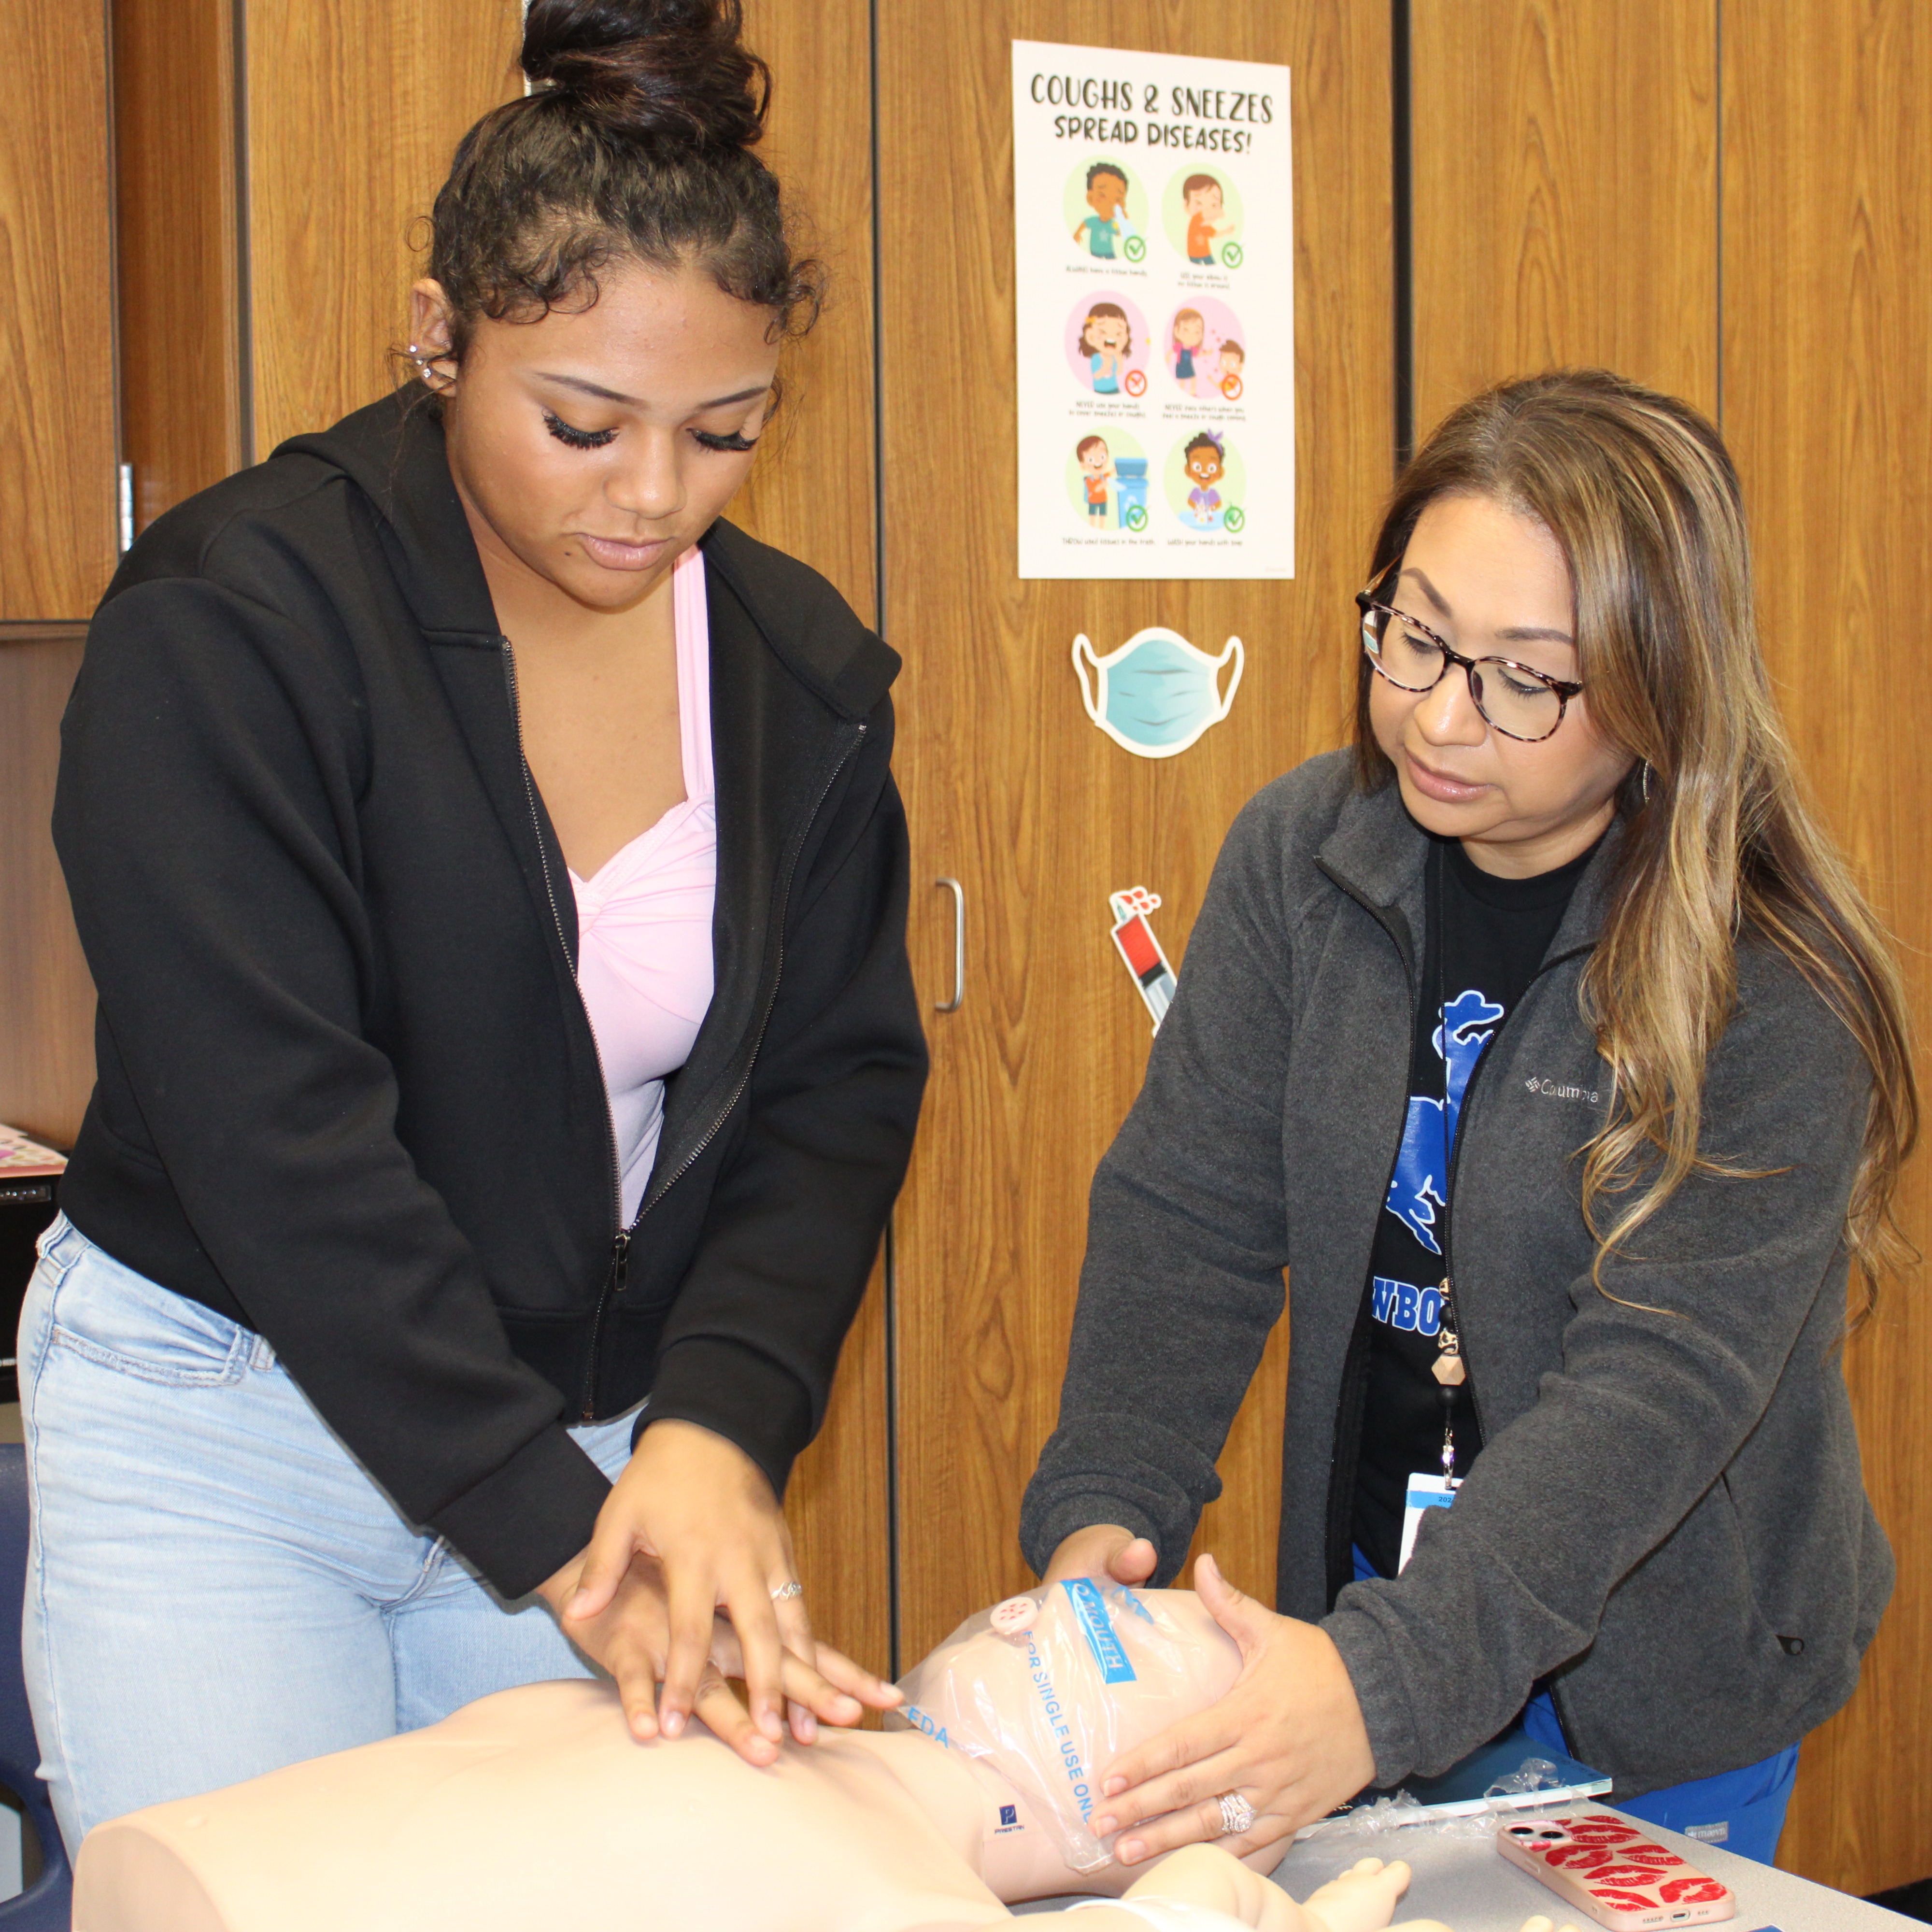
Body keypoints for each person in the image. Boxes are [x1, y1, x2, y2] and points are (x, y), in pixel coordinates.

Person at [32, 0, 925, 1857]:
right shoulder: (237, 619)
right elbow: (279, 1138)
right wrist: (565, 1537)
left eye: (724, 433)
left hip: (588, 1439)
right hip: (232, 1420)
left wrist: (713, 1427)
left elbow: (833, 1089)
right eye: (582, 424)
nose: (655, 498)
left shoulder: (791, 671)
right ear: (437, 336)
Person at [1023, 371, 1915, 1872]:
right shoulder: (1302, 855)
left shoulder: (1767, 980)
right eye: (1416, 634)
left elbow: (1653, 1395)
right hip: (1377, 1599)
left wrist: (1383, 1679)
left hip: (1659, 1671)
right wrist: (1103, 1523)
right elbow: (1190, 1216)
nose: (1440, 713)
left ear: (1658, 689)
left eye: (1523, 677)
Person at [72, 1581, 1458, 1932]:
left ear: (1139, 1835)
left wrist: (1214, 1893)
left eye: (1150, 1651)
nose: (1075, 1609)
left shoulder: (897, 1895)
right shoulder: (669, 1699)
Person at [1075, 162, 1136, 260]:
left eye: (1118, 199)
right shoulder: (1094, 221)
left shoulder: (1113, 224)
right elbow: (1084, 224)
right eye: (1103, 196)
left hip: (1109, 252)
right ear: (1091, 199)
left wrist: (1123, 221)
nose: (1111, 204)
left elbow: (1119, 234)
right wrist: (1077, 233)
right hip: (1095, 252)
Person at [1082, 303, 1133, 395]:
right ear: (1090, 337)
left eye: (1119, 334)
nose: (1111, 337)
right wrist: (1105, 367)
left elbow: (1118, 373)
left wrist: (1120, 364)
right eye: (1103, 332)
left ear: (1126, 338)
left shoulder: (1114, 358)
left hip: (1115, 390)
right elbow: (1096, 376)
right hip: (1099, 391)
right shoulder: (1097, 358)